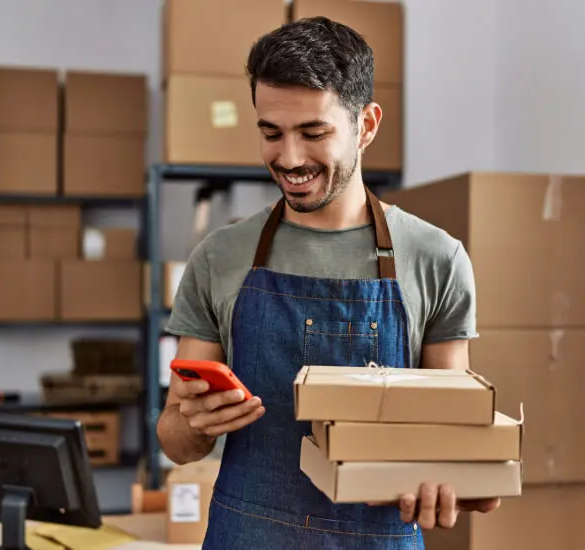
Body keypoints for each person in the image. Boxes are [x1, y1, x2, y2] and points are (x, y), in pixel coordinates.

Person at [157, 16, 501, 550]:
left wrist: (447, 478)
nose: (289, 159)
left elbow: (448, 433)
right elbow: (175, 441)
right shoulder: (220, 256)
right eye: (271, 133)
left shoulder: (436, 259)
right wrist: (197, 425)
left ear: (366, 125)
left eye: (313, 133)